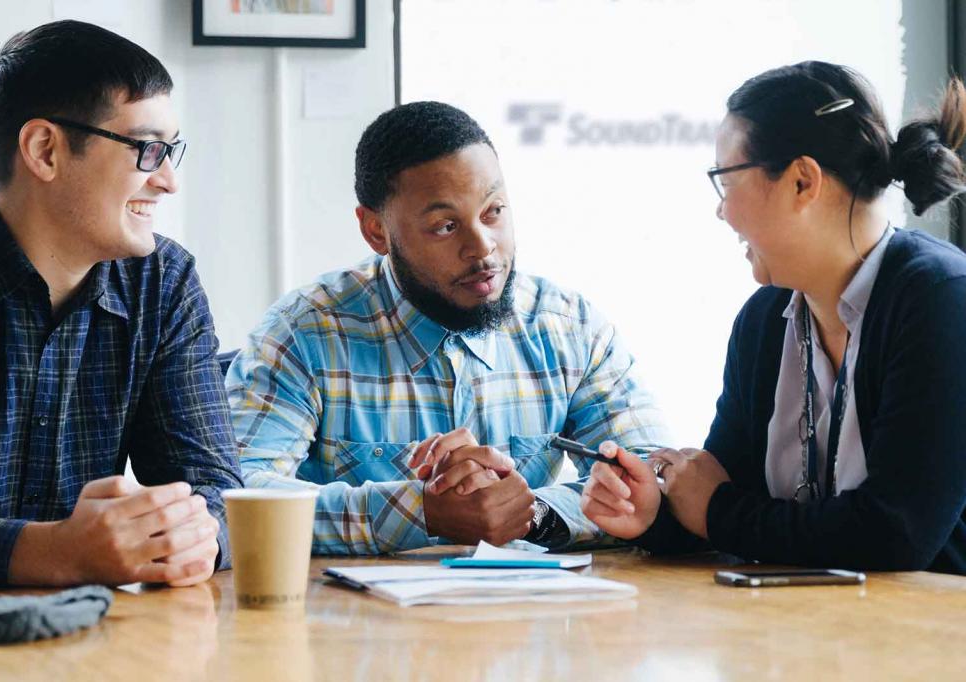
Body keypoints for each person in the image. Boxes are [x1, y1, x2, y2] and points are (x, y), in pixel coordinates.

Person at [226, 101, 670, 554]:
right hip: (359, 621)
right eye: (445, 226)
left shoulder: (571, 329)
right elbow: (234, 495)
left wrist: (530, 514)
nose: (482, 248)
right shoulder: (304, 333)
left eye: (494, 211)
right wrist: (418, 511)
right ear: (376, 230)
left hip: (529, 614)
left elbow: (653, 475)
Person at [582, 61, 966, 573]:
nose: (721, 212)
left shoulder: (942, 300)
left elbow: (897, 533)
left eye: (725, 180)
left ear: (802, 182)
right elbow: (727, 492)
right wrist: (655, 511)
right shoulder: (764, 319)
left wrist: (715, 510)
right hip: (814, 638)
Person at [0, 20, 243, 587]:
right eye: (148, 149)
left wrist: (184, 535)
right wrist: (50, 552)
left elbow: (216, 492)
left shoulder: (163, 282)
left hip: (93, 638)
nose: (170, 182)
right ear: (44, 150)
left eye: (171, 151)